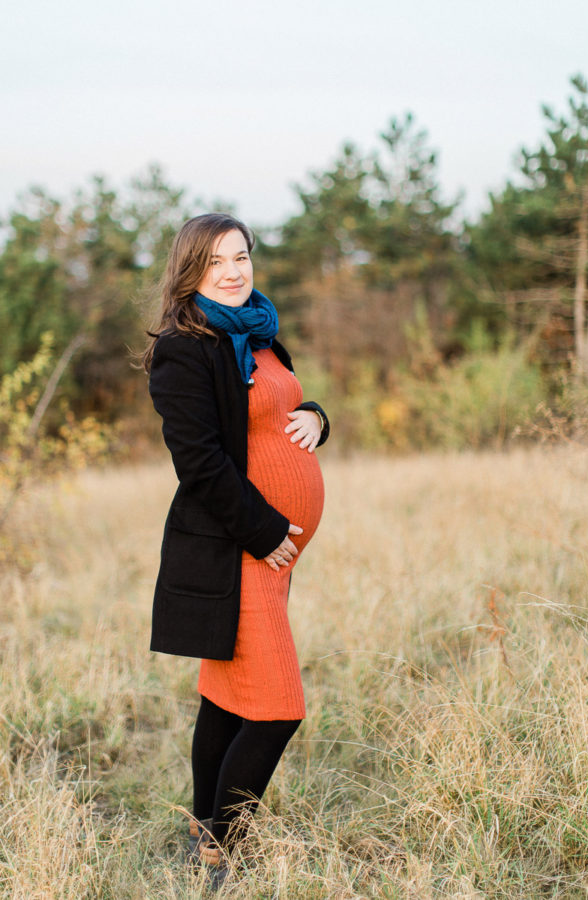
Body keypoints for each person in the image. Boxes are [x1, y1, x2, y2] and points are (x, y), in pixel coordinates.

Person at [142, 213, 329, 889]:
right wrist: (266, 532)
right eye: (217, 260)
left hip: (272, 555)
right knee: (278, 708)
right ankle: (221, 845)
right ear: (190, 270)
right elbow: (200, 462)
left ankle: (202, 831)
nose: (233, 269)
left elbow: (286, 405)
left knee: (226, 697)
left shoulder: (258, 328)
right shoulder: (184, 347)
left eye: (242, 255)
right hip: (238, 548)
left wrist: (317, 417)